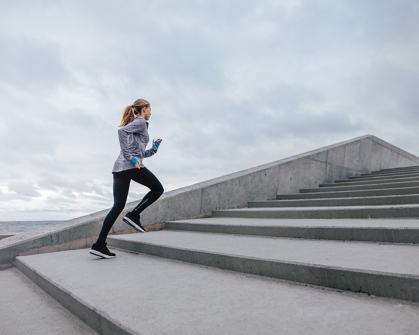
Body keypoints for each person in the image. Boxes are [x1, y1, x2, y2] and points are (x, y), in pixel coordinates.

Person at [90, 99, 164, 259]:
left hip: (120, 168)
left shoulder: (138, 125)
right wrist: (130, 158)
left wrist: (154, 149)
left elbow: (141, 154)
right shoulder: (140, 123)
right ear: (143, 109)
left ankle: (99, 245)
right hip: (130, 166)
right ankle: (134, 215)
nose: (151, 112)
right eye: (150, 109)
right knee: (158, 189)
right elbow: (121, 132)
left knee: (117, 206)